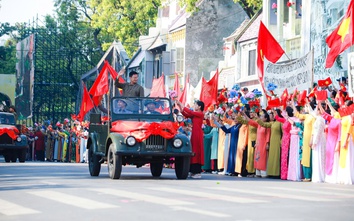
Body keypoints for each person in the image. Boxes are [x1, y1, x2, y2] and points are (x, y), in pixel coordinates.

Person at [175, 99, 205, 179]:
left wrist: (181, 104)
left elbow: (190, 112)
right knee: (193, 150)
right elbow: (186, 114)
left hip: (197, 134)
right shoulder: (196, 114)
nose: (194, 106)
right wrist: (179, 106)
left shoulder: (200, 114)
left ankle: (197, 171)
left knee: (196, 151)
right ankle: (192, 171)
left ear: (199, 107)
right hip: (194, 133)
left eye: (195, 105)